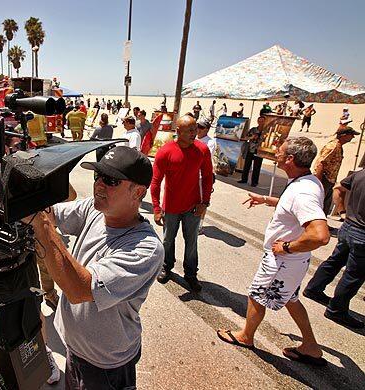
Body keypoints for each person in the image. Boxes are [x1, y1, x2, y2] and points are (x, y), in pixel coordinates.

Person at [26, 146, 163, 389]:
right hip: (75, 349)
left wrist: (42, 224)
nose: (99, 184)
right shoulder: (95, 209)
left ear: (138, 192)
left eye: (110, 180)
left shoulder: (145, 248)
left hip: (105, 365)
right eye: (97, 176)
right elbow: (53, 213)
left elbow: (79, 289)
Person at [217, 137, 330, 367]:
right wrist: (268, 200)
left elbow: (320, 235)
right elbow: (293, 205)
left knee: (257, 295)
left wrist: (286, 247)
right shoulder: (308, 181)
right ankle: (311, 346)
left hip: (283, 260)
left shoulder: (303, 192)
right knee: (290, 298)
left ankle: (246, 336)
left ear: (290, 159)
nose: (275, 154)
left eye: (279, 151)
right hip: (295, 262)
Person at [151, 114, 213, 291]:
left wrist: (205, 202)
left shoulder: (202, 150)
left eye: (196, 129)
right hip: (170, 207)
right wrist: (156, 208)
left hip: (193, 206)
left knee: (191, 242)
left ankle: (191, 274)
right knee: (167, 241)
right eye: (190, 130)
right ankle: (166, 267)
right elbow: (155, 182)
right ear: (178, 131)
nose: (194, 133)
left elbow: (208, 177)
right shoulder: (165, 151)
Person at [303, 169, 365, 329]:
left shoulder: (360, 174)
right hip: (361, 233)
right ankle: (336, 309)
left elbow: (338, 188)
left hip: (349, 226)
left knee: (335, 261)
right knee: (354, 274)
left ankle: (314, 289)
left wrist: (342, 211)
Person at [313, 126, 360, 215]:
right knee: (319, 202)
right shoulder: (333, 146)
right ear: (344, 135)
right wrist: (319, 182)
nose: (353, 137)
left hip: (329, 179)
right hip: (324, 179)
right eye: (351, 135)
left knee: (326, 203)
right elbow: (320, 163)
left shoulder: (338, 146)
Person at [238, 116, 265, 187]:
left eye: (262, 121)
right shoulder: (253, 129)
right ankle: (244, 179)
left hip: (259, 151)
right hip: (251, 149)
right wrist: (252, 137)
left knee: (257, 167)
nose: (261, 122)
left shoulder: (266, 131)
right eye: (259, 121)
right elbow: (246, 137)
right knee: (247, 165)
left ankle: (254, 182)